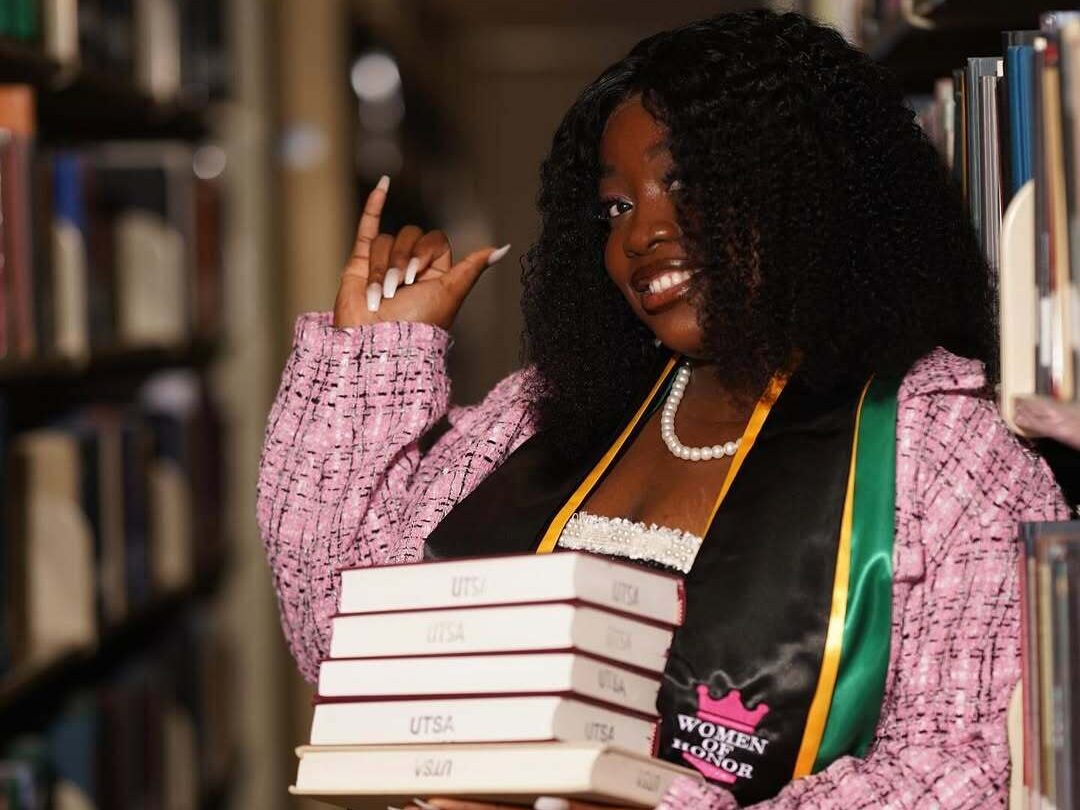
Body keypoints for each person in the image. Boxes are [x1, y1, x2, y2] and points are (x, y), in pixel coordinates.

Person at [257, 9, 1068, 808]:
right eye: (615, 208)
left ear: (805, 186)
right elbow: (346, 644)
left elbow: (963, 767)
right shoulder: (539, 418)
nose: (641, 232)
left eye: (684, 183)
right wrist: (375, 358)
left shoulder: (940, 445)